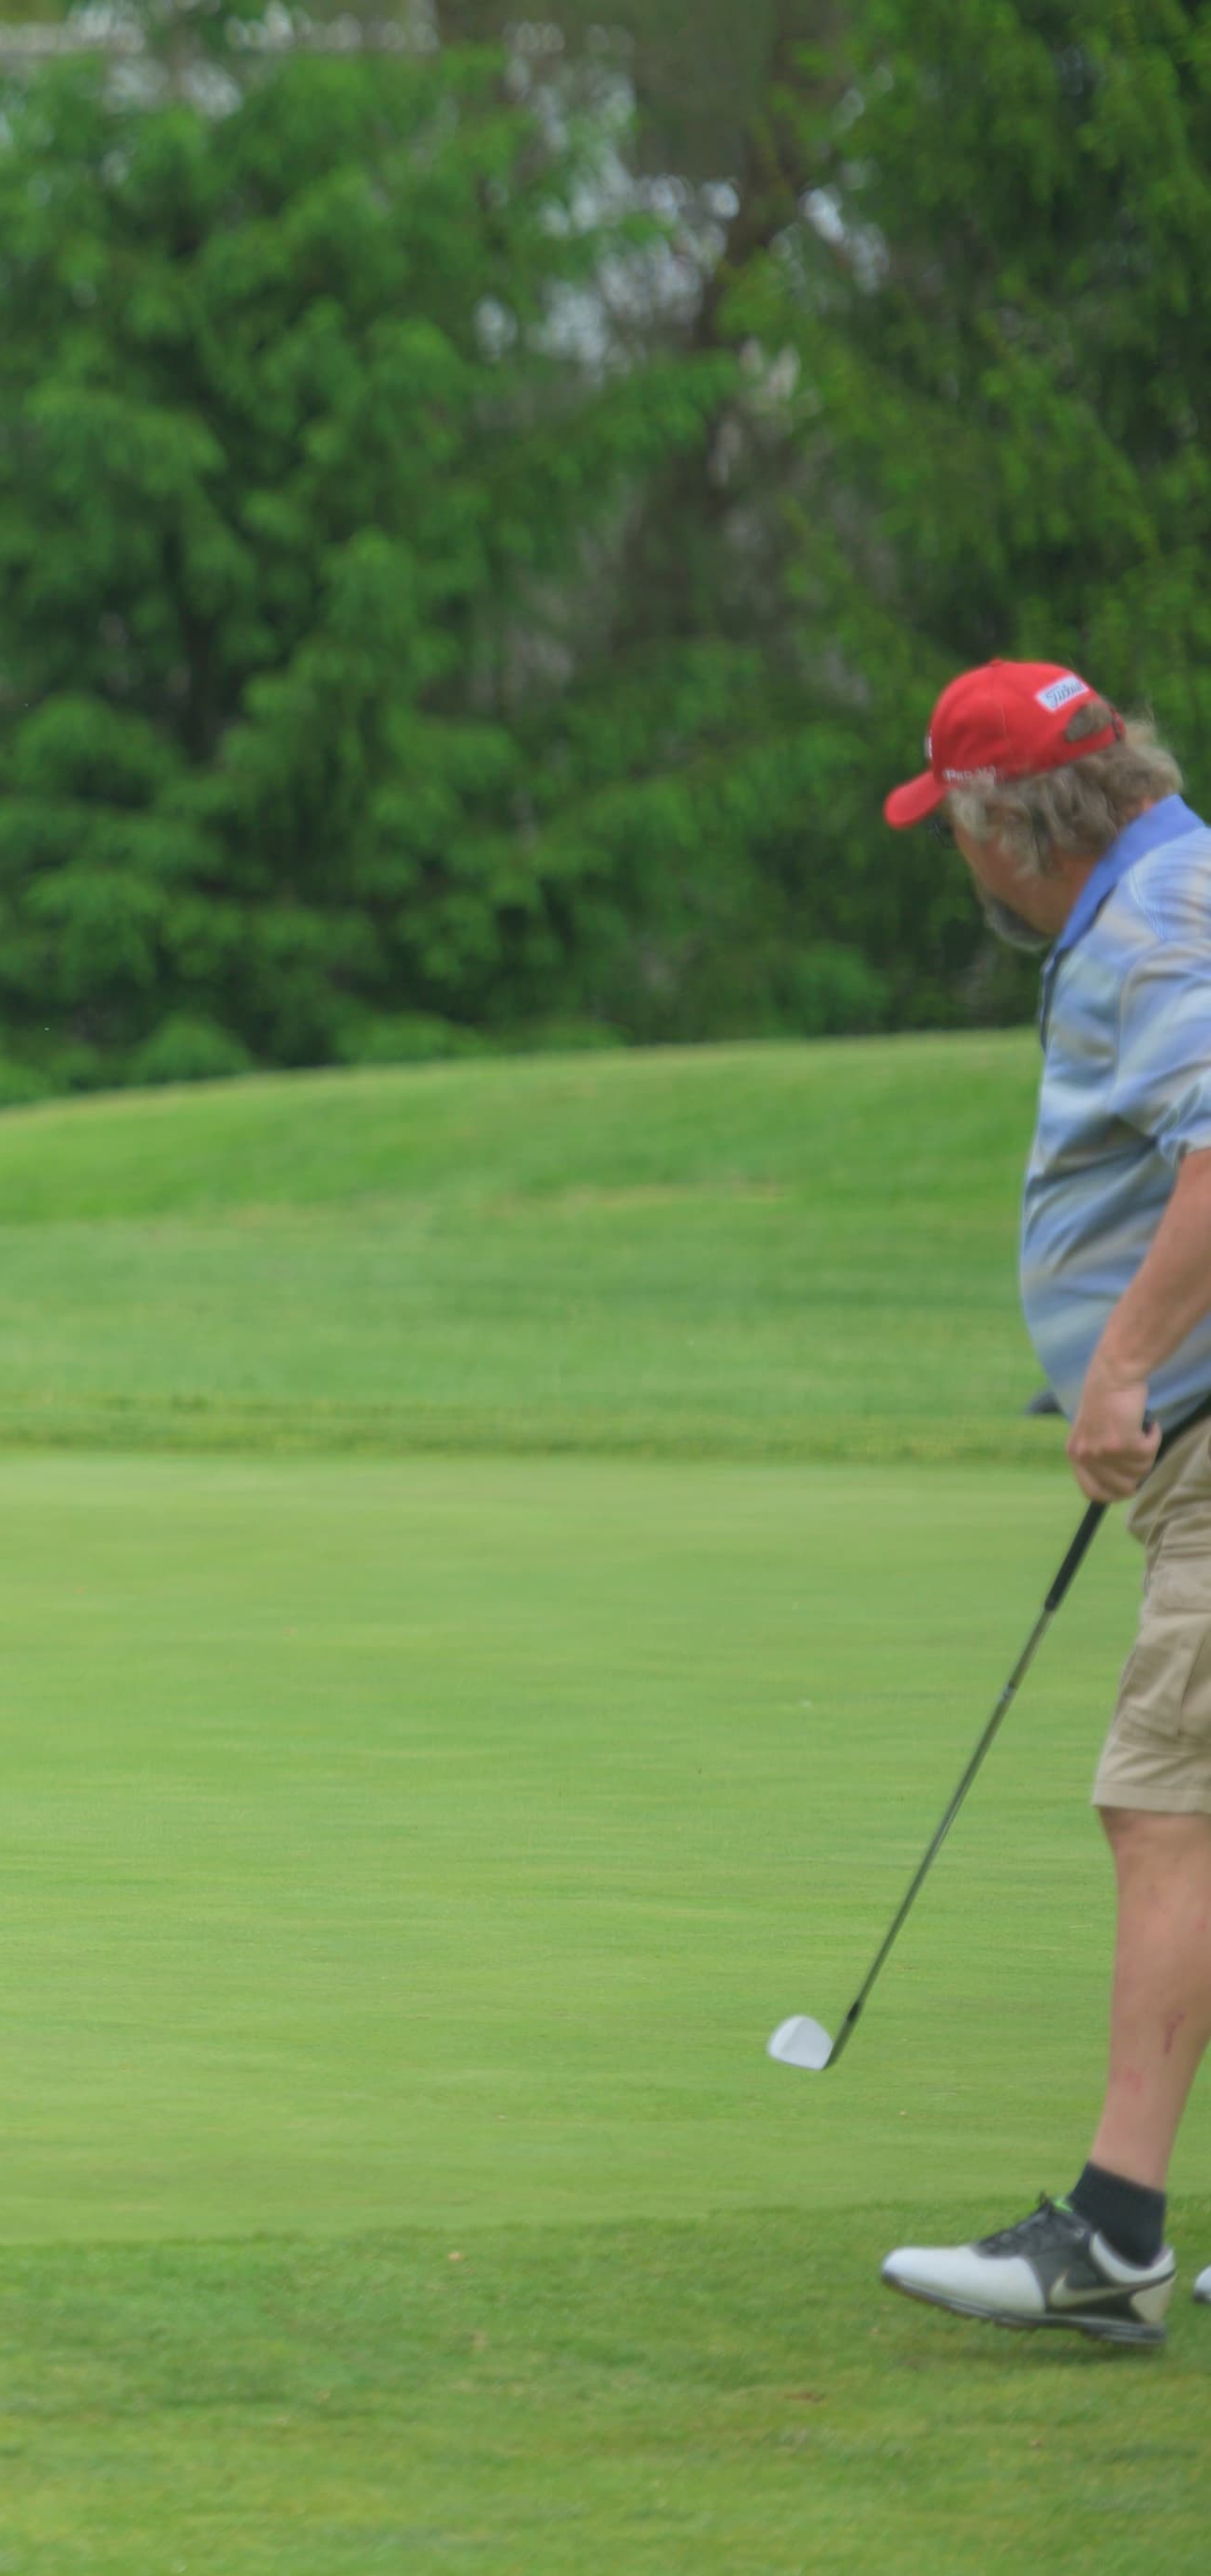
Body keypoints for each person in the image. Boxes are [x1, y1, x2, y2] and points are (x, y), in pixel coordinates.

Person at [876, 661, 1211, 2345]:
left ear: (1013, 826)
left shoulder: (1154, 927)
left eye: (959, 830)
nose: (965, 860)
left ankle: (1113, 2234)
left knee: (1165, 1810)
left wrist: (1121, 1365)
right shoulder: (1179, 879)